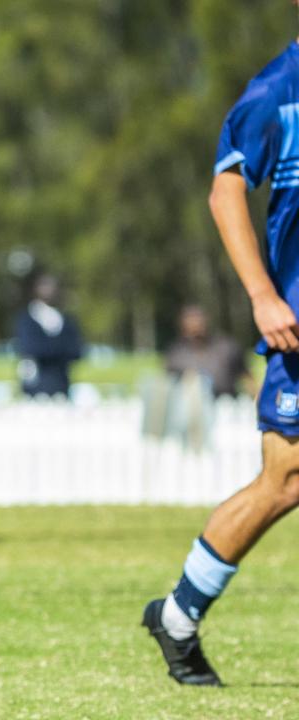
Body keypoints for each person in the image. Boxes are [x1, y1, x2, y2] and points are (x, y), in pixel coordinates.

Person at [141, 24, 299, 687]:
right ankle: (178, 616)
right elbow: (225, 191)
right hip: (298, 324)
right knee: (288, 477)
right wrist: (263, 295)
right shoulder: (278, 94)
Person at [14, 273, 82, 398]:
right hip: (35, 388)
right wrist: (59, 348)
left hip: (61, 385)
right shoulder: (27, 319)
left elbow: (77, 351)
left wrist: (49, 347)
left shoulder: (66, 320)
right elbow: (29, 349)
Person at [164, 304, 250, 399]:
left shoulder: (226, 347)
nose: (195, 325)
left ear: (206, 321)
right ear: (182, 325)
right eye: (190, 320)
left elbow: (246, 378)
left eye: (197, 319)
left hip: (225, 404)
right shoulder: (176, 353)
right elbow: (168, 385)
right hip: (190, 407)